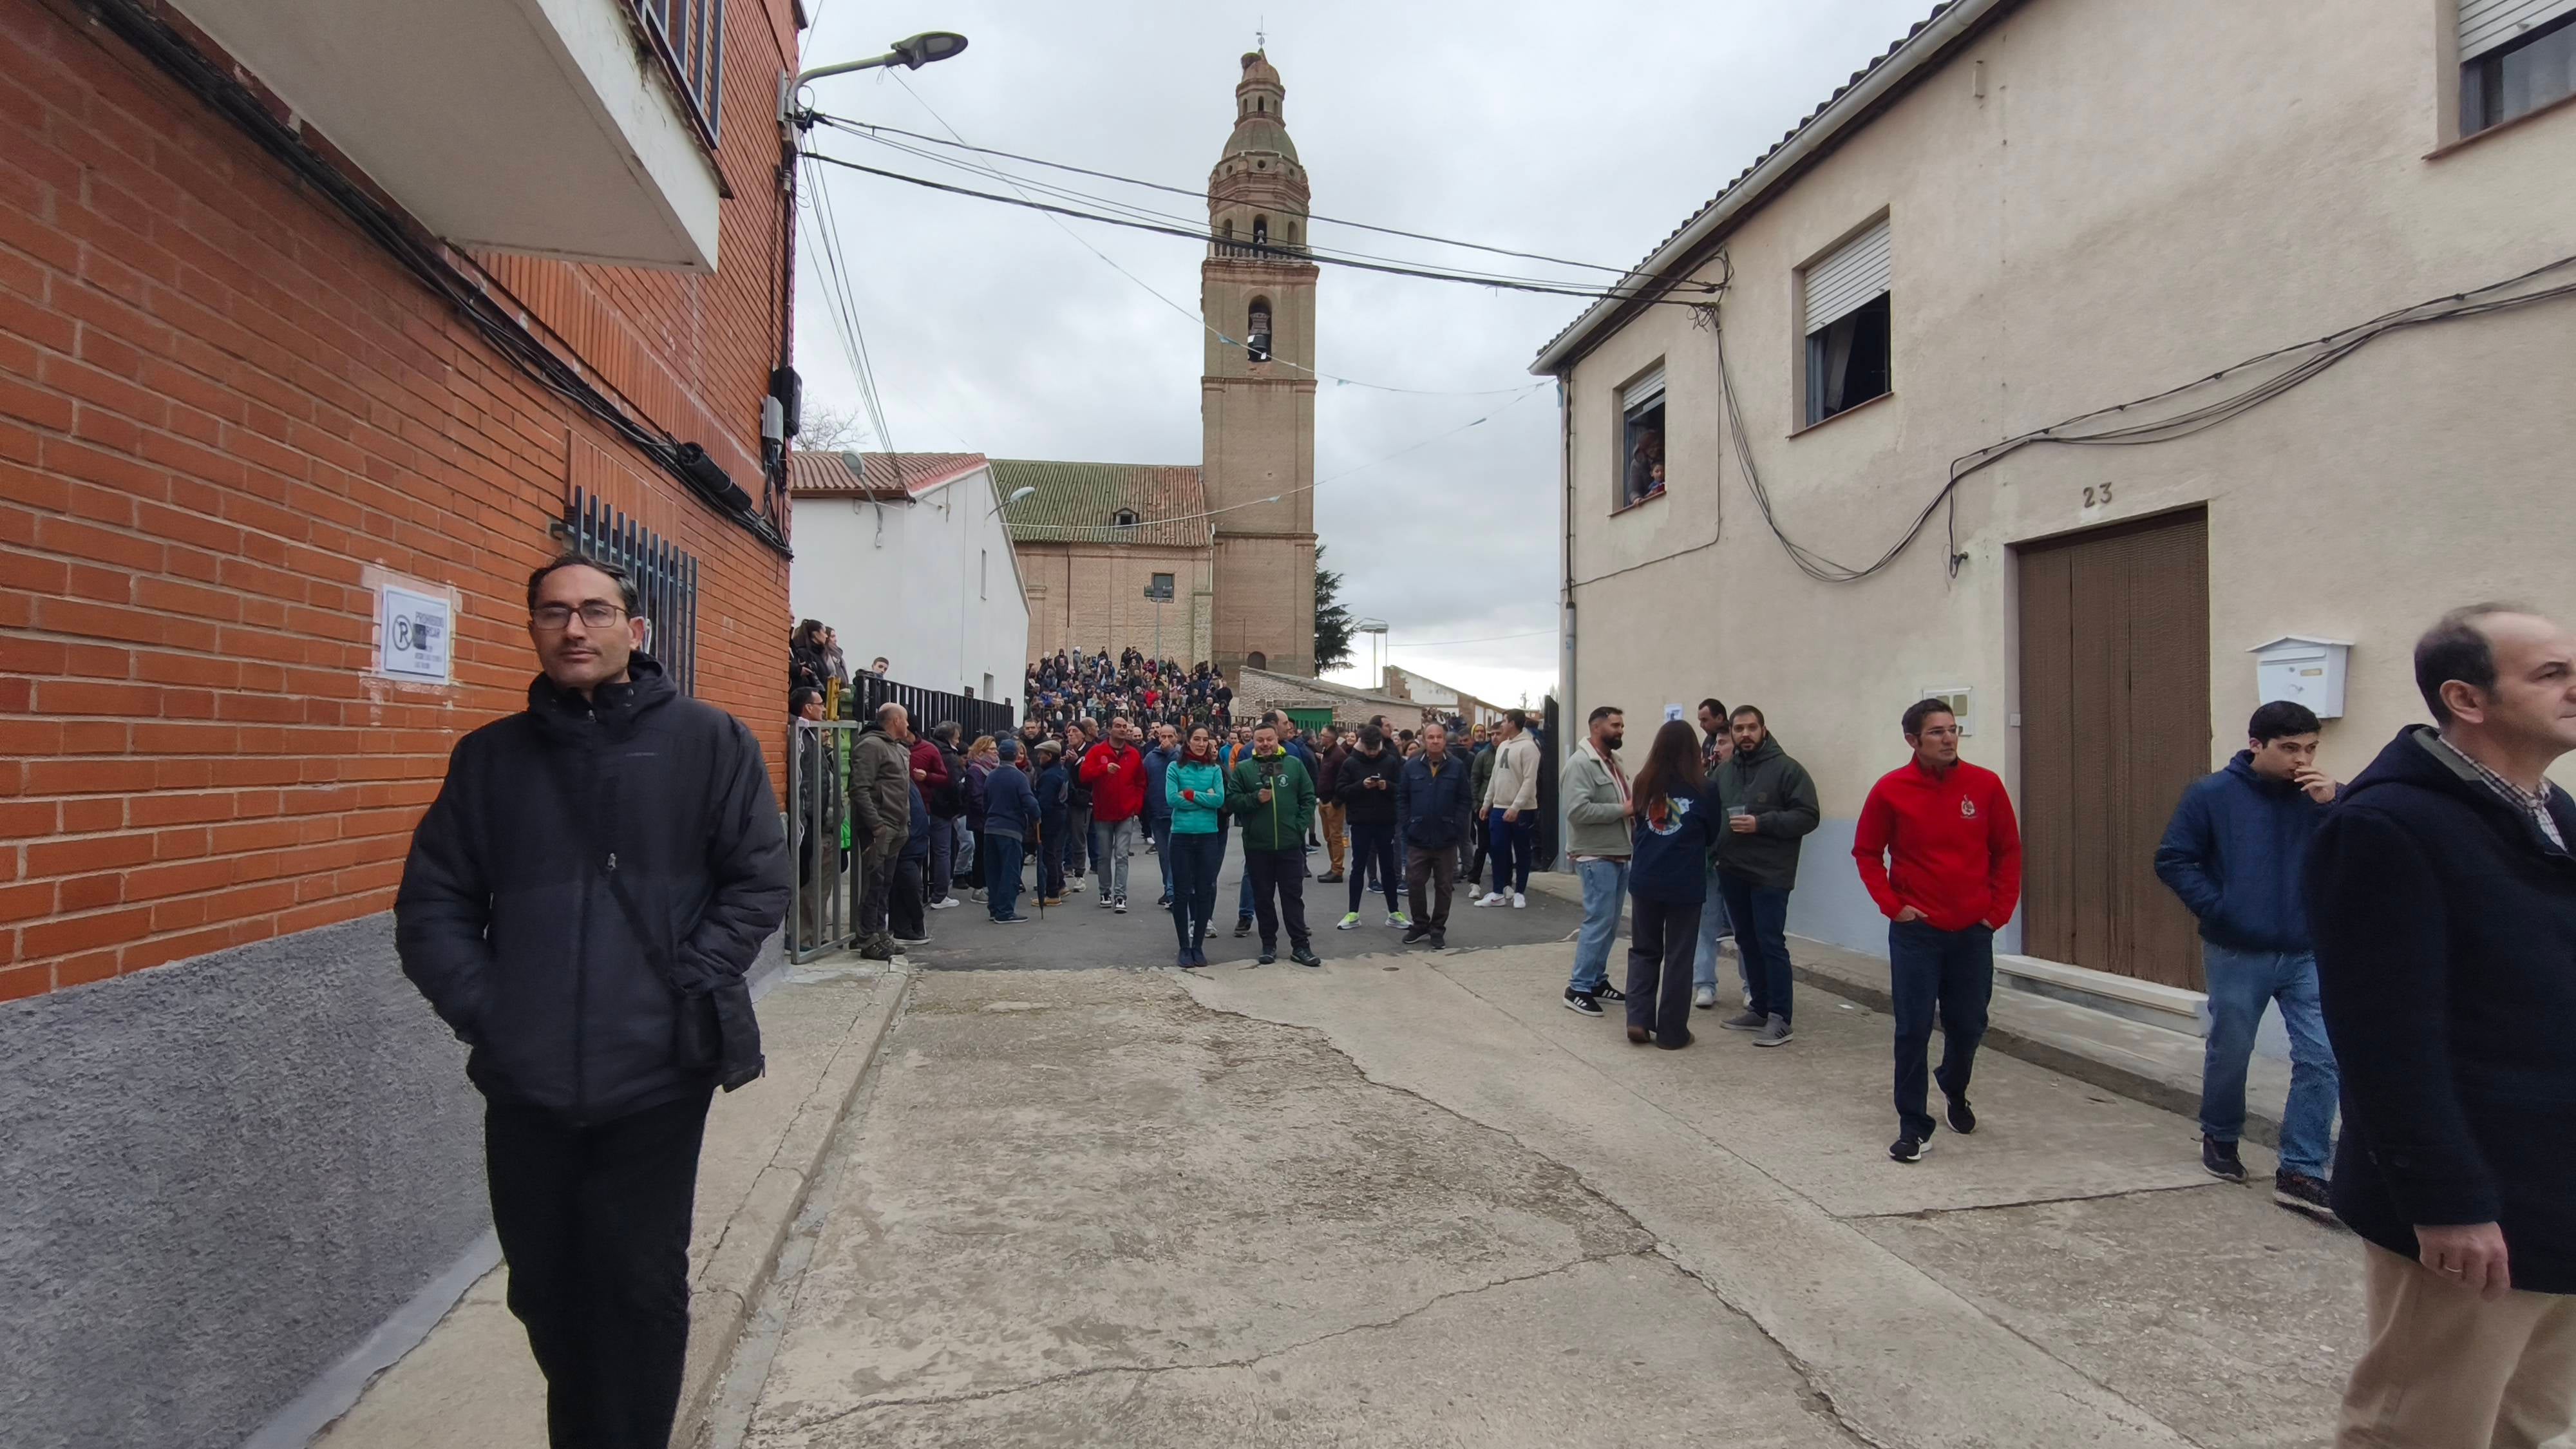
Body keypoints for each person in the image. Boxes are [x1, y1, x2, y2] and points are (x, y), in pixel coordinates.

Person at [395, 553, 786, 1449]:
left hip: (653, 1076)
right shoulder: (490, 759)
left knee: (640, 1290)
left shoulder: (707, 741)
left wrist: (688, 977)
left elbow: (758, 882)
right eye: (555, 612)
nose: (575, 628)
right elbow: (434, 903)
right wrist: (492, 1011)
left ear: (634, 629)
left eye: (596, 611)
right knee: (544, 1287)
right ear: (533, 628)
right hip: (526, 1081)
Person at [2309, 605, 2576, 1449]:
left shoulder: (2555, 812)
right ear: (2467, 696)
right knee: (2421, 1428)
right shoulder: (2387, 827)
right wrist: (2447, 1203)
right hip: (2476, 1215)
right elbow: (2386, 1041)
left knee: (2526, 1422)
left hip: (2559, 1191)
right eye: (2551, 673)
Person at [2154, 700, 2342, 1216]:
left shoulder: (2319, 798)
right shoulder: (2212, 795)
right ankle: (2220, 1134)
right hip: (2237, 948)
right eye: (2289, 749)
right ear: (2257, 745)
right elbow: (2173, 859)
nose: (2300, 760)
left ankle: (2302, 1169)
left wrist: (2336, 805)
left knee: (2323, 1055)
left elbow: (2359, 850)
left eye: (2310, 748)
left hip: (2306, 950)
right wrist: (2223, 909)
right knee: (2232, 1049)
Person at [1853, 699, 2022, 1164]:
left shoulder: (1985, 786)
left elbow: (2008, 851)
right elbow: (1867, 853)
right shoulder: (1891, 790)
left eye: (1953, 730)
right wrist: (1894, 906)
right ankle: (1914, 1125)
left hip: (1972, 930)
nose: (1949, 739)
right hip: (1917, 932)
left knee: (1969, 1024)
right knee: (1912, 1028)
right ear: (1913, 740)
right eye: (1937, 732)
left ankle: (1953, 1082)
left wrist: (1998, 912)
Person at [1710, 706, 1819, 1048]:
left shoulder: (1788, 770)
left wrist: (1763, 823)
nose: (1745, 734)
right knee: (1746, 940)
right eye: (1739, 728)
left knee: (1770, 942)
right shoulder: (1724, 773)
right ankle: (1758, 1007)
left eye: (1751, 727)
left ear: (1763, 729)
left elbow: (1808, 815)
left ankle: (1780, 1018)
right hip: (1732, 869)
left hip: (1771, 872)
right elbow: (1708, 812)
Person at [1622, 719, 1719, 1049]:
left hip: (1646, 878)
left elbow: (1638, 824)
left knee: (1644, 951)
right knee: (1679, 956)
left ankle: (1637, 1019)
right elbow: (1712, 833)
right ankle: (1672, 1032)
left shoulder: (1643, 783)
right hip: (1685, 882)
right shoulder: (1705, 789)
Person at [1560, 705, 1634, 1018]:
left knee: (1610, 923)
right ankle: (1577, 987)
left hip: (1617, 852)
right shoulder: (1581, 764)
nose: (1620, 731)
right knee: (1598, 922)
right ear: (1596, 728)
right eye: (1615, 725)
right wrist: (1624, 810)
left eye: (1621, 725)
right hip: (1595, 856)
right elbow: (1577, 811)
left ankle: (1596, 980)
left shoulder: (1612, 762)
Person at [1229, 723, 1323, 967]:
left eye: (1270, 739)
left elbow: (1307, 797)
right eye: (1260, 740)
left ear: (1277, 740)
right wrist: (1254, 799)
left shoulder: (1293, 765)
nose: (1265, 744)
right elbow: (1232, 801)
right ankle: (1268, 944)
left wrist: (1297, 826)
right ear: (1254, 743)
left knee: (1293, 897)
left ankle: (1300, 946)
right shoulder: (1244, 770)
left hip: (1290, 845)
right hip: (1258, 846)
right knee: (1263, 897)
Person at [1396, 721, 1476, 947]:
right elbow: (1402, 798)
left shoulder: (1456, 766)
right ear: (1423, 739)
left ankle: (1437, 929)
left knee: (1444, 886)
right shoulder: (1412, 767)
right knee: (1415, 883)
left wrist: (1456, 825)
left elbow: (1464, 799)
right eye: (1430, 737)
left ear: (1444, 740)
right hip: (1418, 837)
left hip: (1446, 839)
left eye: (1438, 737)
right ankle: (1420, 924)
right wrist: (1408, 824)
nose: (1434, 741)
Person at [847, 701, 914, 963]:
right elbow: (859, 789)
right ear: (896, 721)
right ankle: (866, 938)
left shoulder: (897, 748)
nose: (908, 725)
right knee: (873, 884)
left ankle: (879, 931)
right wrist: (876, 825)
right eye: (905, 720)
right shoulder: (871, 746)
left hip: (896, 826)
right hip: (880, 827)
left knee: (885, 883)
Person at [1165, 726, 1229, 968]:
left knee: (1204, 891)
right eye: (1197, 739)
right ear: (1188, 741)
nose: (1201, 744)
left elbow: (1219, 800)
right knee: (1182, 893)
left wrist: (1190, 795)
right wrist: (1204, 797)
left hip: (1207, 837)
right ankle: (1184, 947)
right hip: (1181, 836)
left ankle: (1198, 946)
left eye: (1205, 740)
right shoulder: (1175, 768)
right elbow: (1172, 799)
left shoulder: (1214, 769)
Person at [1334, 724, 1408, 931]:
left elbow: (1402, 788)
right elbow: (1340, 791)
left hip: (1386, 822)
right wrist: (1361, 785)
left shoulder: (1391, 762)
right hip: (1360, 823)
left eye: (1376, 747)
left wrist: (1387, 786)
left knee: (1388, 868)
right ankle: (1353, 913)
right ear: (1362, 745)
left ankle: (1394, 912)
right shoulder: (1351, 763)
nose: (1373, 752)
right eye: (1369, 748)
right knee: (1358, 868)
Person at [1690, 698, 1739, 1010]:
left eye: (1723, 742)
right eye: (1716, 742)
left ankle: (1751, 985)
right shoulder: (1708, 777)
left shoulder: (1745, 777)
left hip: (1738, 863)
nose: (1716, 747)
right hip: (1710, 862)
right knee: (1706, 926)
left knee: (1743, 930)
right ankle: (1704, 984)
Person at [1079, 716, 1148, 913]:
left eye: (1125, 727)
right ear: (1110, 729)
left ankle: (1120, 895)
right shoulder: (1098, 751)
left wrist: (1137, 806)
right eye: (1118, 726)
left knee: (1122, 855)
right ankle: (1105, 892)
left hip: (1126, 812)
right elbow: (1084, 775)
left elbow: (1141, 783)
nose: (1122, 729)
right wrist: (1103, 769)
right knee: (1104, 855)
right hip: (1103, 812)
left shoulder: (1133, 754)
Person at [1477, 710, 1540, 908]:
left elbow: (1530, 780)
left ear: (1513, 723)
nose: (1501, 725)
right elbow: (1495, 777)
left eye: (1504, 721)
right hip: (1499, 806)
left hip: (1521, 809)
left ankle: (1520, 891)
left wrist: (1516, 807)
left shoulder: (1529, 747)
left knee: (1521, 850)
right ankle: (1498, 892)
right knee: (1497, 848)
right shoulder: (1503, 745)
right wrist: (1487, 803)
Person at [980, 739, 1036, 923]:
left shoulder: (991, 776)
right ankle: (1005, 911)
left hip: (991, 827)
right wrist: (1036, 817)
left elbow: (985, 802)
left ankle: (995, 908)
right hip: (1011, 829)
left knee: (993, 870)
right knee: (1010, 871)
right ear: (1014, 755)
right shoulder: (1019, 777)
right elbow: (1029, 803)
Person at [924, 722, 967, 911]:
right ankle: (940, 894)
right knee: (943, 851)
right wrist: (957, 807)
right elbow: (954, 786)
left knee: (933, 851)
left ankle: (933, 888)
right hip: (942, 809)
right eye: (957, 736)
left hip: (930, 805)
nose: (959, 740)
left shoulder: (930, 749)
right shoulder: (949, 756)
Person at [1142, 723, 1180, 907]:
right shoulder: (1150, 758)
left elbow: (1184, 771)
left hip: (1177, 813)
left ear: (1176, 738)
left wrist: (1172, 752)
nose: (1166, 740)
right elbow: (1144, 782)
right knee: (1164, 856)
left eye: (1170, 736)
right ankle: (1169, 889)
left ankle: (1174, 892)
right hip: (1157, 813)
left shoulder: (1180, 756)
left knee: (1176, 855)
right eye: (1163, 737)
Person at [890, 782, 932, 949]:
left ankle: (907, 928)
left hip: (917, 844)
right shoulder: (895, 781)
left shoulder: (906, 780)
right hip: (907, 845)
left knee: (904, 889)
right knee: (911, 886)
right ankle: (908, 926)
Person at [1032, 741, 1070, 906]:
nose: (1039, 757)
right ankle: (1060, 884)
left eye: (1042, 754)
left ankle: (1052, 893)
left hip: (1049, 819)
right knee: (1055, 852)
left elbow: (1044, 803)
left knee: (1048, 855)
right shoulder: (1062, 771)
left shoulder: (1048, 776)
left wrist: (1035, 817)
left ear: (1049, 756)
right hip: (1061, 815)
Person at [1061, 719, 1094, 892]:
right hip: (1065, 801)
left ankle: (1079, 875)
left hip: (1081, 801)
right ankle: (1060, 873)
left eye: (1074, 731)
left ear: (1083, 734)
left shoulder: (1090, 750)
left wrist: (1076, 763)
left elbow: (1089, 776)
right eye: (1068, 732)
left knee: (1078, 837)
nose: (1071, 735)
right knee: (1061, 837)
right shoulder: (1066, 751)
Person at [1314, 724, 1349, 883]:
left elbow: (1344, 779)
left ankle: (1337, 870)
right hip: (1324, 800)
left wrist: (1336, 801)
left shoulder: (1339, 755)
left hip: (1333, 803)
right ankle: (1333, 867)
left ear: (1330, 738)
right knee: (1329, 837)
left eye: (1323, 735)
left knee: (1335, 837)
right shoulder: (1327, 753)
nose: (1320, 738)